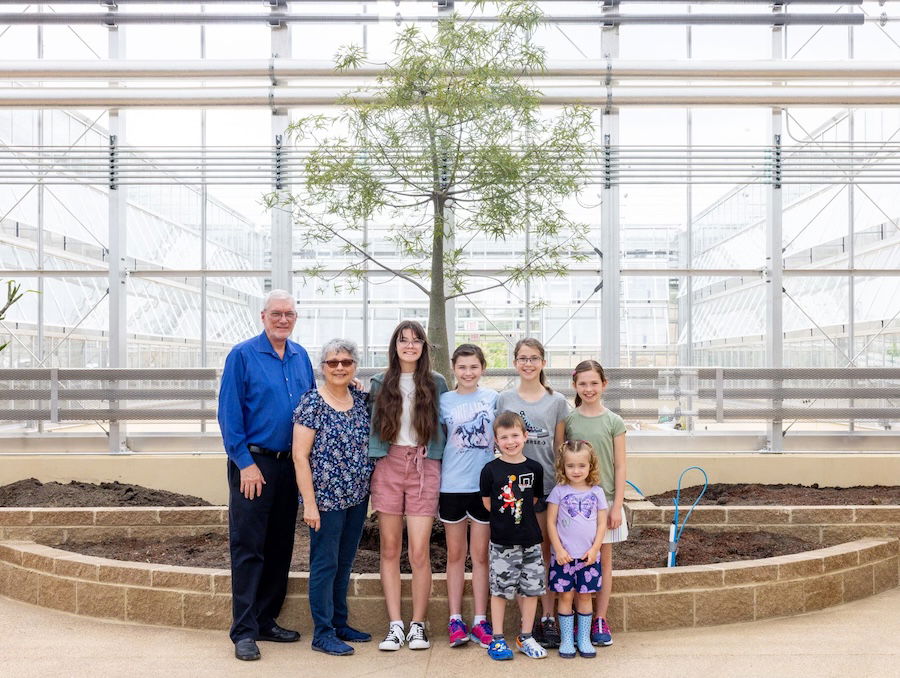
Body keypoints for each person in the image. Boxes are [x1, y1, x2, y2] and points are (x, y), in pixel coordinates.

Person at [217, 289, 313, 661]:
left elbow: (311, 405)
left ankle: (265, 620)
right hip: (254, 466)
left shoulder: (301, 356)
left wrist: (349, 387)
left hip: (291, 464)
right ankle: (243, 630)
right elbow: (229, 414)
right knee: (248, 547)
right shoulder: (242, 355)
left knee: (279, 546)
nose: (283, 319)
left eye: (289, 314)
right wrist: (245, 464)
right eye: (277, 313)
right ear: (263, 316)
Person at [368, 320, 448, 651]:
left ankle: (417, 624)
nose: (410, 346)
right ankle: (394, 625)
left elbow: (446, 423)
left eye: (416, 340)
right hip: (389, 464)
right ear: (395, 345)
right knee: (389, 549)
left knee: (418, 551)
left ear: (424, 346)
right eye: (403, 340)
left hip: (424, 466)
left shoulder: (436, 382)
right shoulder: (379, 382)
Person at [292, 338, 374, 656]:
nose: (339, 367)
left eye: (346, 362)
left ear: (354, 366)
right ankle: (322, 632)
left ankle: (340, 623)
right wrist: (309, 503)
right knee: (324, 564)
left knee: (344, 562)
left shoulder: (360, 400)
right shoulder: (312, 402)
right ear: (323, 367)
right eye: (332, 362)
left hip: (356, 497)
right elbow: (300, 456)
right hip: (325, 500)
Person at [495, 338, 568, 648]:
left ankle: (547, 617)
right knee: (517, 557)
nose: (528, 363)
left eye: (534, 358)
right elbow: (497, 443)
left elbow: (559, 447)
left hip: (546, 488)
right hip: (513, 492)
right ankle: (522, 621)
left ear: (543, 362)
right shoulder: (504, 398)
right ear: (515, 362)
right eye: (522, 358)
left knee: (545, 554)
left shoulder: (557, 401)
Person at [564, 359, 627, 647]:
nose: (588, 389)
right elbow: (562, 462)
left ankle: (599, 618)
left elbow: (621, 465)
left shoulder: (614, 421)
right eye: (583, 384)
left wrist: (616, 506)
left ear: (604, 385)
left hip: (606, 502)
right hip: (576, 508)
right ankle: (578, 619)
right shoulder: (570, 421)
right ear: (575, 385)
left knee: (603, 561)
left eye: (594, 383)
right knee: (576, 562)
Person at [439, 344, 497, 649]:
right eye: (462, 367)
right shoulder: (444, 401)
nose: (468, 372)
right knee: (455, 556)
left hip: (483, 488)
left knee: (481, 556)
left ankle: (480, 620)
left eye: (474, 366)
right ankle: (455, 619)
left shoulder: (492, 399)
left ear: (483, 368)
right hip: (452, 486)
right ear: (454, 369)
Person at [479, 411, 547, 661]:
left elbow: (535, 499)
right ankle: (497, 639)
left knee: (531, 591)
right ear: (496, 440)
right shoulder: (490, 470)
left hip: (531, 540)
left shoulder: (535, 468)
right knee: (500, 591)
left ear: (525, 436)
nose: (510, 441)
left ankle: (526, 636)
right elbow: (488, 503)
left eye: (515, 435)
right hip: (502, 543)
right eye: (504, 437)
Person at [546, 440, 608, 659]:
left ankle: (583, 639)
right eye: (570, 465)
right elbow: (551, 523)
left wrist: (595, 549)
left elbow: (602, 524)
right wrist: (558, 549)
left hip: (588, 558)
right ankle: (566, 641)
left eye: (581, 465)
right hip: (564, 558)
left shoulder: (597, 492)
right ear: (563, 467)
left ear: (590, 466)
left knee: (584, 597)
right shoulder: (559, 491)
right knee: (564, 597)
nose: (576, 470)